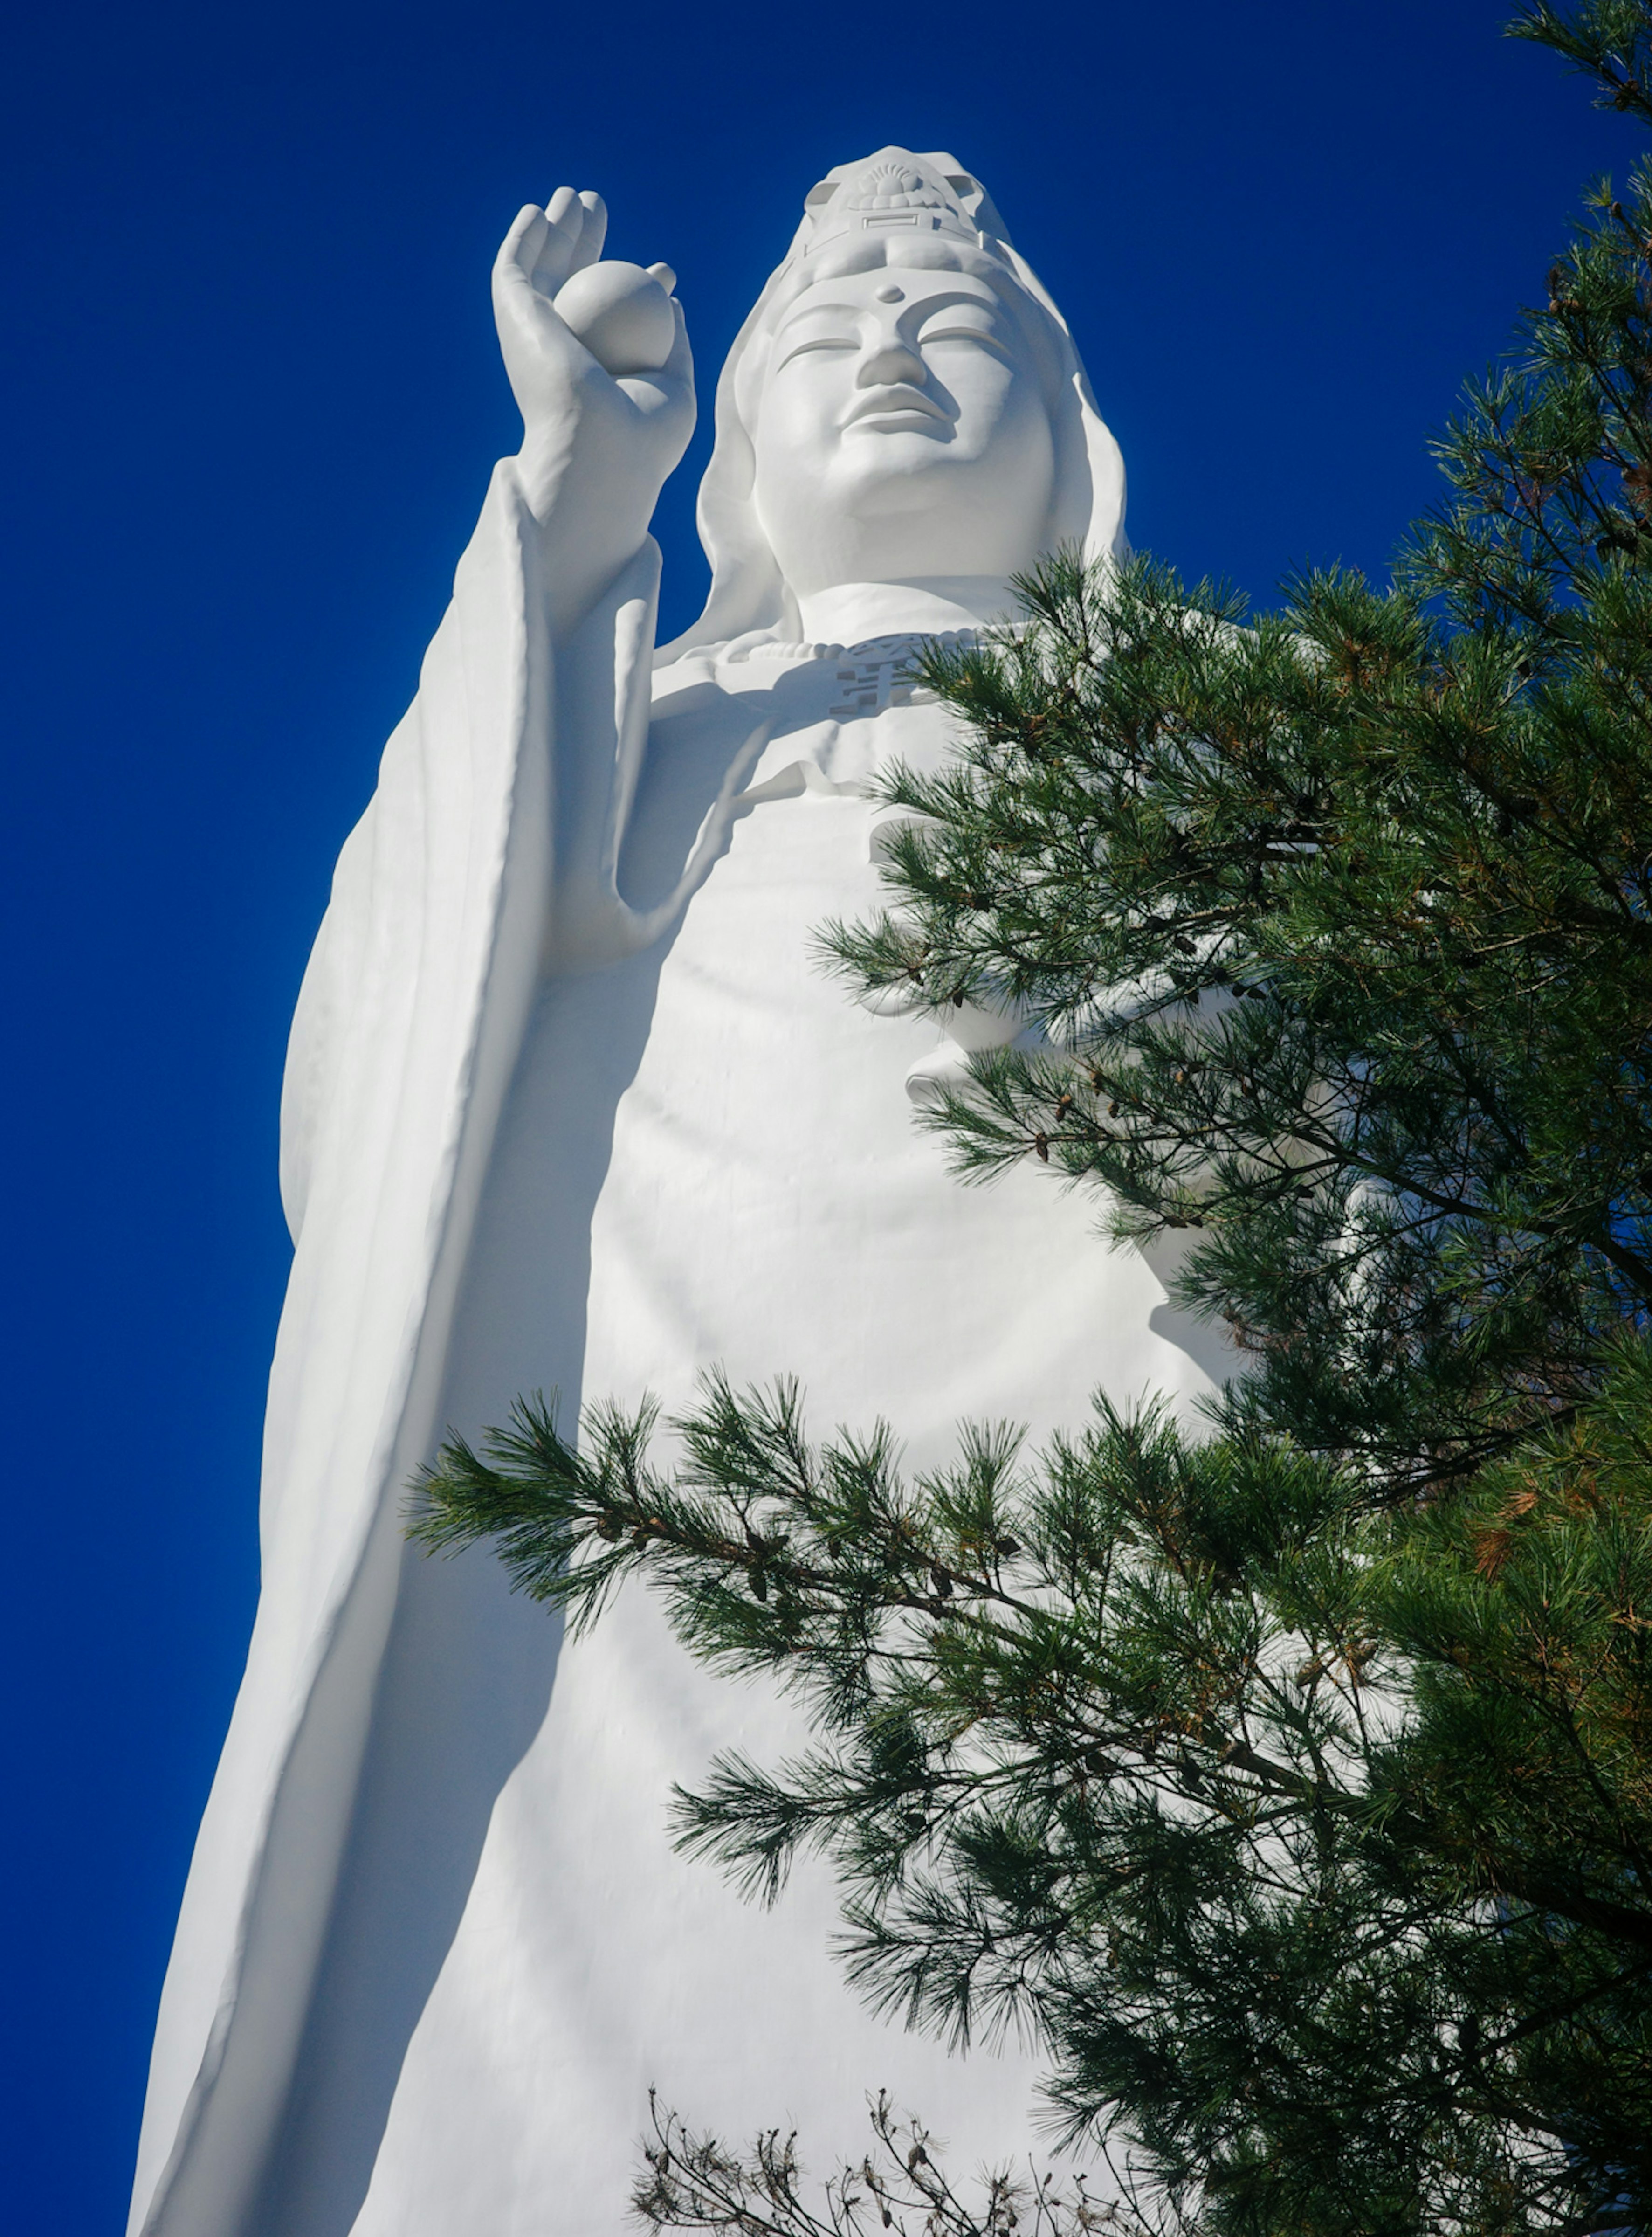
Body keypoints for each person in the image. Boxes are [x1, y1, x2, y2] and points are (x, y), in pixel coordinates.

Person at [131, 150, 1227, 2237]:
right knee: (527, 1902)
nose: (895, 349)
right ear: (736, 452)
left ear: (1072, 447)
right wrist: (563, 519)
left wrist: (1174, 1038)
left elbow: (1379, 1143)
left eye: (959, 322)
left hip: (1098, 1382)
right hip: (623, 1402)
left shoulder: (1211, 727)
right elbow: (370, 1077)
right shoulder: (632, 709)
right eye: (830, 326)